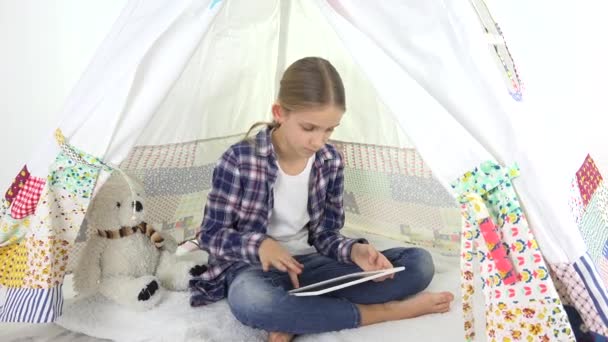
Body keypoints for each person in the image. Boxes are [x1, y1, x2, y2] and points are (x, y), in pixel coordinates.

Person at [189, 56, 454, 342]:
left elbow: (326, 235)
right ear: (280, 112)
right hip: (253, 270)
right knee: (253, 302)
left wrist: (354, 252)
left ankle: (297, 316)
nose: (319, 141)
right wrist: (261, 245)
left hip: (311, 265)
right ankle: (385, 312)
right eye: (309, 128)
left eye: (329, 129)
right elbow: (211, 235)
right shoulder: (239, 160)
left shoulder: (330, 161)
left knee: (418, 264)